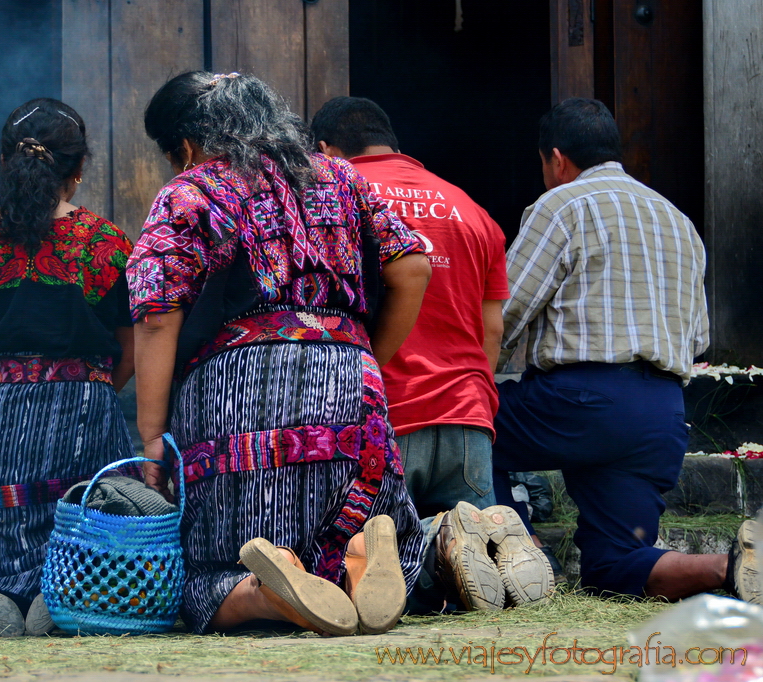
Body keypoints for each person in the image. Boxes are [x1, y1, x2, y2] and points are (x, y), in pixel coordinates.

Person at [128, 72, 552, 635]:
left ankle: (261, 589)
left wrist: (152, 434)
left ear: (184, 145)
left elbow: (157, 316)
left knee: (208, 572)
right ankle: (364, 561)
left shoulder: (194, 190)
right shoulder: (339, 176)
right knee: (355, 509)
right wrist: (365, 355)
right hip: (347, 373)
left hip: (242, 386)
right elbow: (413, 266)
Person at [493, 97, 759, 603]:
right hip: (659, 415)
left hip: (578, 402)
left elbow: (507, 308)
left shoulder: (561, 204)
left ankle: (522, 558)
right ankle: (731, 568)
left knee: (468, 431)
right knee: (614, 566)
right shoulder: (679, 221)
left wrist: (482, 375)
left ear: (556, 158)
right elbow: (698, 339)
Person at [0, 98, 135, 637]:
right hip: (81, 408)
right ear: (79, 171)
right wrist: (88, 386)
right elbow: (128, 350)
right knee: (84, 509)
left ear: (3, 162)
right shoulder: (108, 245)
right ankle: (64, 590)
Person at [311, 97, 507, 522]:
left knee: (372, 570)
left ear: (325, 150)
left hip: (382, 419)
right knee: (472, 573)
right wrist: (474, 404)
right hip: (468, 419)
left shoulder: (334, 200)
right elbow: (492, 330)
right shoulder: (472, 210)